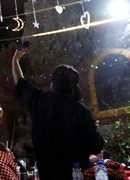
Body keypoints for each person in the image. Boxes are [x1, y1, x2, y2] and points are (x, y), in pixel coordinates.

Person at [12, 49, 105, 180]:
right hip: (77, 175)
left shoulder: (40, 100)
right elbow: (97, 145)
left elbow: (20, 82)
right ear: (75, 86)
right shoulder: (82, 111)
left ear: (53, 84)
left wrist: (15, 60)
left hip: (48, 175)